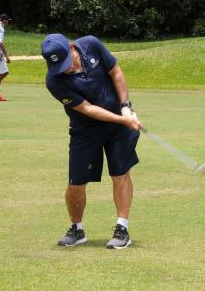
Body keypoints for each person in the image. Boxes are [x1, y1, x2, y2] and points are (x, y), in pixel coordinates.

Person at [41, 33, 142, 248]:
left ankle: (122, 228)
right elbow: (87, 109)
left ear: (71, 47)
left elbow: (115, 71)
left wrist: (125, 107)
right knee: (75, 183)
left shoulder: (91, 45)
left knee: (120, 174)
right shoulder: (53, 82)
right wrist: (123, 119)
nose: (65, 70)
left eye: (67, 63)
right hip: (85, 130)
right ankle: (77, 229)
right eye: (59, 68)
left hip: (118, 126)